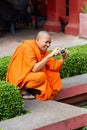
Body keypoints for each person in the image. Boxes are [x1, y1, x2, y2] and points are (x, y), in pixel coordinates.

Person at [6, 31, 70, 100]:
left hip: (29, 74)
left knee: (54, 74)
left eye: (49, 42)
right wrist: (48, 56)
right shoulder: (27, 47)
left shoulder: (42, 50)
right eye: (46, 42)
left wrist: (62, 58)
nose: (48, 45)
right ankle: (22, 90)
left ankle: (32, 89)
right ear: (37, 40)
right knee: (41, 76)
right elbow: (34, 69)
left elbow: (53, 67)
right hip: (19, 75)